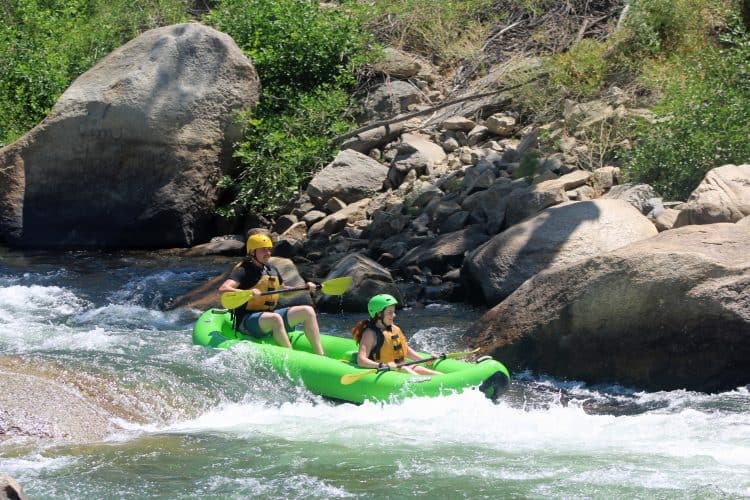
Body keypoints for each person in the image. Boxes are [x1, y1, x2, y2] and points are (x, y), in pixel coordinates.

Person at [218, 233, 326, 356]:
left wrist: (304, 288)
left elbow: (283, 291)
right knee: (275, 319)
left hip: (268, 317)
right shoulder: (243, 270)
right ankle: (291, 357)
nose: (268, 253)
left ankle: (320, 355)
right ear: (252, 252)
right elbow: (223, 289)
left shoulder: (271, 269)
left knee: (308, 311)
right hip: (247, 321)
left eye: (269, 250)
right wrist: (247, 292)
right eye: (263, 250)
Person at [351, 294, 440, 376]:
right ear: (379, 314)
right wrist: (383, 365)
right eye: (390, 312)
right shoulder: (370, 334)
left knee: (431, 373)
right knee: (406, 370)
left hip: (401, 366)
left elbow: (406, 350)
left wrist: (425, 360)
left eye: (394, 311)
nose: (394, 315)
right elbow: (361, 360)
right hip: (385, 371)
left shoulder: (395, 329)